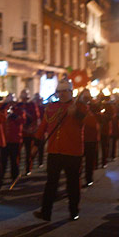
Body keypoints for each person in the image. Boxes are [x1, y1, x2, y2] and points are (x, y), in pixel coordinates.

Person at [32, 81, 89, 221]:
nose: (62, 94)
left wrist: (75, 113)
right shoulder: (52, 107)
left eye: (64, 91)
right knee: (51, 183)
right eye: (59, 91)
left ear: (71, 91)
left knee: (73, 183)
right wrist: (36, 143)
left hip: (72, 152)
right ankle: (46, 212)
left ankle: (73, 210)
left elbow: (86, 123)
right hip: (54, 151)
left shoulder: (80, 107)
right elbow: (43, 126)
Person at [1, 95, 25, 184]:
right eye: (9, 103)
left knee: (14, 160)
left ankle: (14, 177)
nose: (10, 104)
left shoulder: (19, 111)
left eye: (12, 103)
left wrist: (14, 115)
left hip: (15, 139)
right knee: (3, 161)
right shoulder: (3, 111)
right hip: (5, 140)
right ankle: (1, 177)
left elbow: (22, 121)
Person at [18, 89, 40, 176]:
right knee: (17, 153)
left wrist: (33, 128)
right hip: (20, 132)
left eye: (25, 97)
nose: (24, 99)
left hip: (29, 132)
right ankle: (16, 169)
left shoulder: (32, 105)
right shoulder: (18, 105)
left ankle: (28, 168)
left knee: (28, 152)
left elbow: (36, 117)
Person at [82, 100, 101, 187]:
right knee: (89, 162)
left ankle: (88, 178)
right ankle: (88, 179)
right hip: (87, 141)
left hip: (88, 141)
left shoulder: (89, 116)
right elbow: (96, 127)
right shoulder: (90, 116)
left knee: (87, 162)